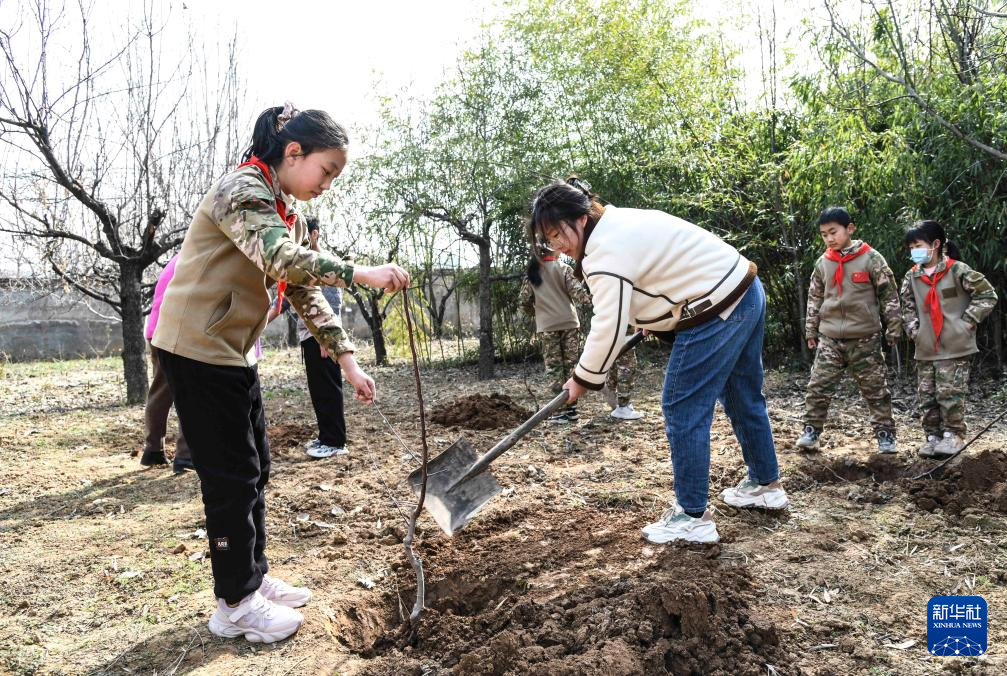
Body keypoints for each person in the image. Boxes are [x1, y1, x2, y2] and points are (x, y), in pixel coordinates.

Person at [151, 103, 409, 643]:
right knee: (230, 478)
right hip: (196, 348)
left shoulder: (281, 204)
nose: (328, 185)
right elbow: (282, 261)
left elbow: (302, 290)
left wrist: (348, 361)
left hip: (232, 351)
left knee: (256, 468)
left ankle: (254, 578)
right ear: (293, 153)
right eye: (326, 171)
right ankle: (234, 604)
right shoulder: (243, 190)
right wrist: (362, 271)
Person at [528, 177, 788, 545]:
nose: (558, 244)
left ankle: (692, 516)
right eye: (549, 239)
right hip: (743, 290)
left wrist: (583, 378)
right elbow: (659, 275)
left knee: (682, 405)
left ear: (582, 218)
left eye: (559, 233)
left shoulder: (603, 251)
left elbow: (609, 323)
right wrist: (657, 317)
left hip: (715, 307)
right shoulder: (621, 223)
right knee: (742, 396)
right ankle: (765, 484)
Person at [796, 206, 902, 454]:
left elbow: (889, 295)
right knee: (818, 387)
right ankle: (811, 431)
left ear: (850, 229)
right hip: (830, 337)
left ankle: (885, 435)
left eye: (833, 232)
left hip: (865, 338)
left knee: (876, 389)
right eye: (824, 234)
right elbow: (815, 298)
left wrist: (894, 328)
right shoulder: (824, 262)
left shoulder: (871, 258)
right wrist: (811, 331)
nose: (829, 238)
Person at [899, 220, 997, 457]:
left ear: (935, 244)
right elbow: (907, 306)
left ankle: (954, 437)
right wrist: (914, 330)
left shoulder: (957, 270)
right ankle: (932, 437)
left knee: (950, 394)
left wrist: (967, 322)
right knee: (927, 395)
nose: (915, 251)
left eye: (918, 245)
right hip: (926, 347)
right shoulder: (912, 276)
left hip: (955, 346)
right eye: (911, 247)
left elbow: (987, 295)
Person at [267, 217, 349, 459]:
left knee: (328, 390)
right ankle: (326, 436)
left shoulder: (327, 264)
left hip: (323, 338)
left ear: (314, 235)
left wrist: (328, 340)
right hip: (309, 336)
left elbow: (333, 304)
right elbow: (280, 302)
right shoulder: (300, 267)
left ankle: (335, 442)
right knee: (318, 390)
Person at [519, 248, 591, 422]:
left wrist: (537, 313)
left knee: (554, 368)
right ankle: (572, 409)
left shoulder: (533, 274)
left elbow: (523, 302)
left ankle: (559, 411)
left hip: (547, 326)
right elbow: (580, 295)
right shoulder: (564, 268)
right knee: (571, 365)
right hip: (570, 323)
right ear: (555, 253)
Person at [139, 253, 193, 473]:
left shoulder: (176, 259)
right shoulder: (195, 259)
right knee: (190, 392)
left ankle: (152, 450)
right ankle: (186, 456)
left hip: (156, 331)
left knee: (160, 390)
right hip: (177, 332)